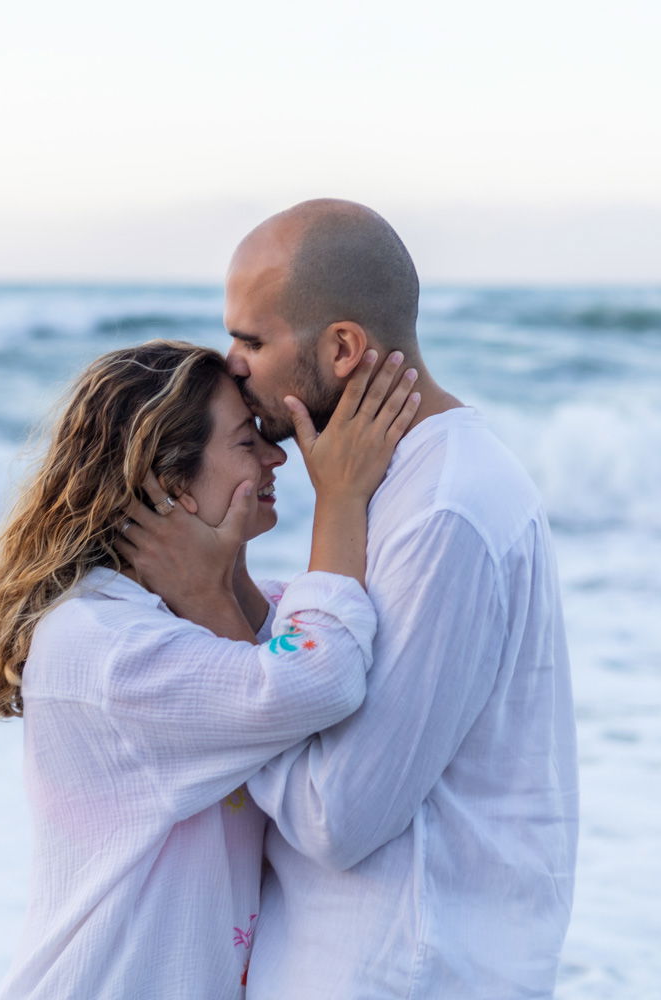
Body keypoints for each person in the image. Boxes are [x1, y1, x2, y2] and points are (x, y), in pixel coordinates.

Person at [123, 201, 579, 997]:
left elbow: (338, 817)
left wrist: (211, 608)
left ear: (341, 348)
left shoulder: (445, 510)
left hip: (400, 970)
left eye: (253, 340)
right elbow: (324, 696)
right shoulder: (384, 487)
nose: (230, 364)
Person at [0, 339, 421, 998]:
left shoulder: (192, 618)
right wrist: (341, 500)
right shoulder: (105, 642)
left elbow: (285, 648)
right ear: (171, 482)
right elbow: (319, 676)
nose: (278, 455)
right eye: (248, 442)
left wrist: (215, 585)